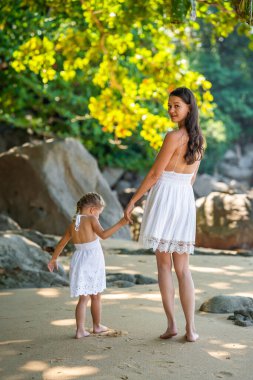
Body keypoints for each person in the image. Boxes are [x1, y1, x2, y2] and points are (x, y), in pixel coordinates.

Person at [124, 87, 204, 342]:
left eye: (176, 105)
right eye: (169, 105)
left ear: (189, 108)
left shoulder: (173, 136)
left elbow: (154, 175)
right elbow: (191, 179)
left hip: (166, 196)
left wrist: (133, 201)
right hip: (184, 199)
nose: (171, 110)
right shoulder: (200, 140)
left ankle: (172, 325)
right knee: (183, 269)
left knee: (163, 265)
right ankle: (190, 329)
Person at [48, 192, 128, 339]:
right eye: (99, 213)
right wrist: (121, 223)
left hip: (78, 260)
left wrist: (53, 259)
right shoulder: (91, 219)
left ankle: (80, 330)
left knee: (83, 299)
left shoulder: (73, 224)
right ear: (92, 210)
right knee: (96, 296)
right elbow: (103, 235)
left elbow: (61, 243)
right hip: (92, 260)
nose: (98, 217)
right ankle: (96, 326)